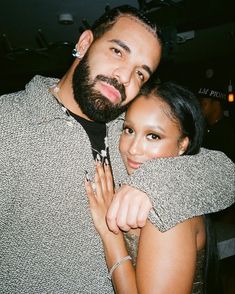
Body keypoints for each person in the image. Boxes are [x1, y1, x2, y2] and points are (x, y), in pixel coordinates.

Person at [0, 5, 234, 293]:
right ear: (84, 44)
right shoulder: (7, 121)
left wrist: (156, 182)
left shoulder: (129, 128)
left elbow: (225, 172)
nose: (125, 77)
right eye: (118, 51)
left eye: (140, 74)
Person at [85, 81, 219, 293]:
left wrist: (111, 236)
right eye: (129, 130)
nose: (133, 149)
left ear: (183, 144)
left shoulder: (170, 213)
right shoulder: (155, 188)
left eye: (153, 136)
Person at [198, 85, 235, 162]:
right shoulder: (202, 128)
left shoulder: (227, 132)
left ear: (216, 104)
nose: (199, 107)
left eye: (203, 103)